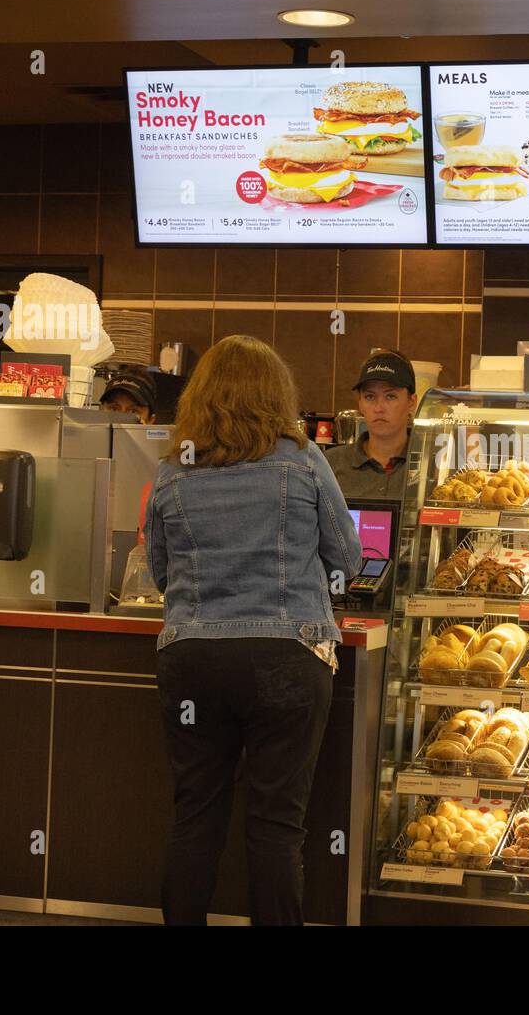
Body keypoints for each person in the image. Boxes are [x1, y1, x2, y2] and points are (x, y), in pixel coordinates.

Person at [145, 335, 362, 926]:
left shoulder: (174, 469)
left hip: (192, 657)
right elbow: (347, 558)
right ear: (277, 394)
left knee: (197, 815)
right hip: (287, 658)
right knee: (275, 825)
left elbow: (160, 573)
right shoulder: (303, 460)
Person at [325, 349, 419, 501]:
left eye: (390, 396)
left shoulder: (430, 465)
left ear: (411, 402)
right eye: (369, 397)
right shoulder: (330, 463)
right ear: (360, 404)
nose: (378, 408)